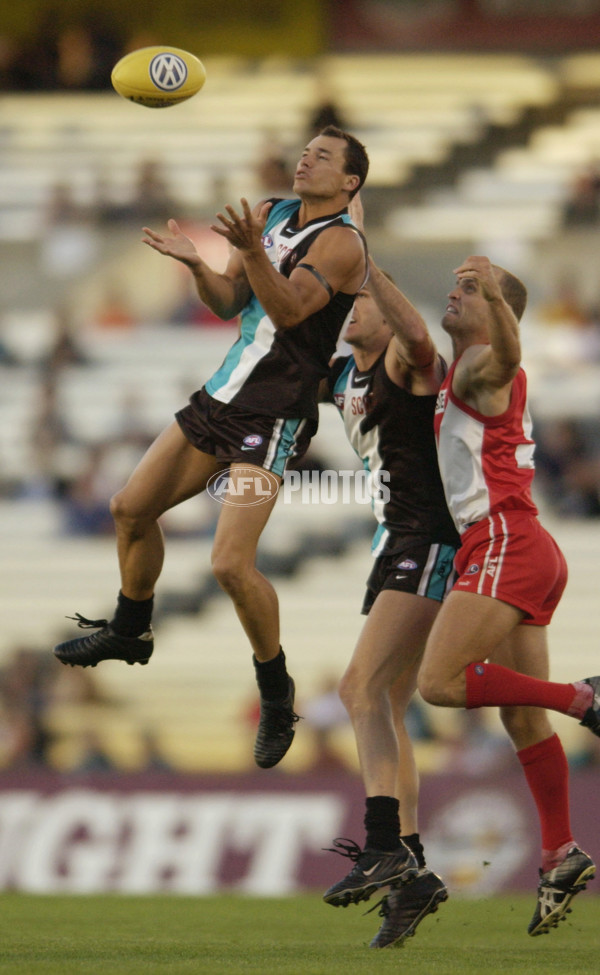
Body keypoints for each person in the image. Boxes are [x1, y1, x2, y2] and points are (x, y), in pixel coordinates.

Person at [53, 126, 370, 772]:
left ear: (349, 183)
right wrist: (200, 266)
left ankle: (276, 693)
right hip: (221, 396)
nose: (306, 156)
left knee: (230, 563)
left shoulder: (341, 243)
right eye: (307, 149)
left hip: (272, 416)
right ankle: (131, 626)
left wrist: (252, 253)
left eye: (324, 155)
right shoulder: (268, 214)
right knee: (129, 507)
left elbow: (289, 313)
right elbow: (232, 301)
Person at [417, 255, 599, 936]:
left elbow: (506, 347)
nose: (454, 293)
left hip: (501, 543)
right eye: (458, 283)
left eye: (469, 289)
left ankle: (585, 697)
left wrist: (497, 297)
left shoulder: (485, 363)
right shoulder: (463, 371)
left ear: (497, 310)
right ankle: (559, 849)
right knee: (521, 718)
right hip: (526, 545)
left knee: (438, 683)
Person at [320, 199, 459, 948]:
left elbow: (417, 335)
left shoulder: (406, 361)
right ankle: (413, 868)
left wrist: (364, 256)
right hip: (394, 537)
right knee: (387, 704)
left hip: (428, 535)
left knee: (359, 688)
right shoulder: (343, 369)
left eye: (359, 298)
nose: (349, 310)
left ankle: (384, 846)